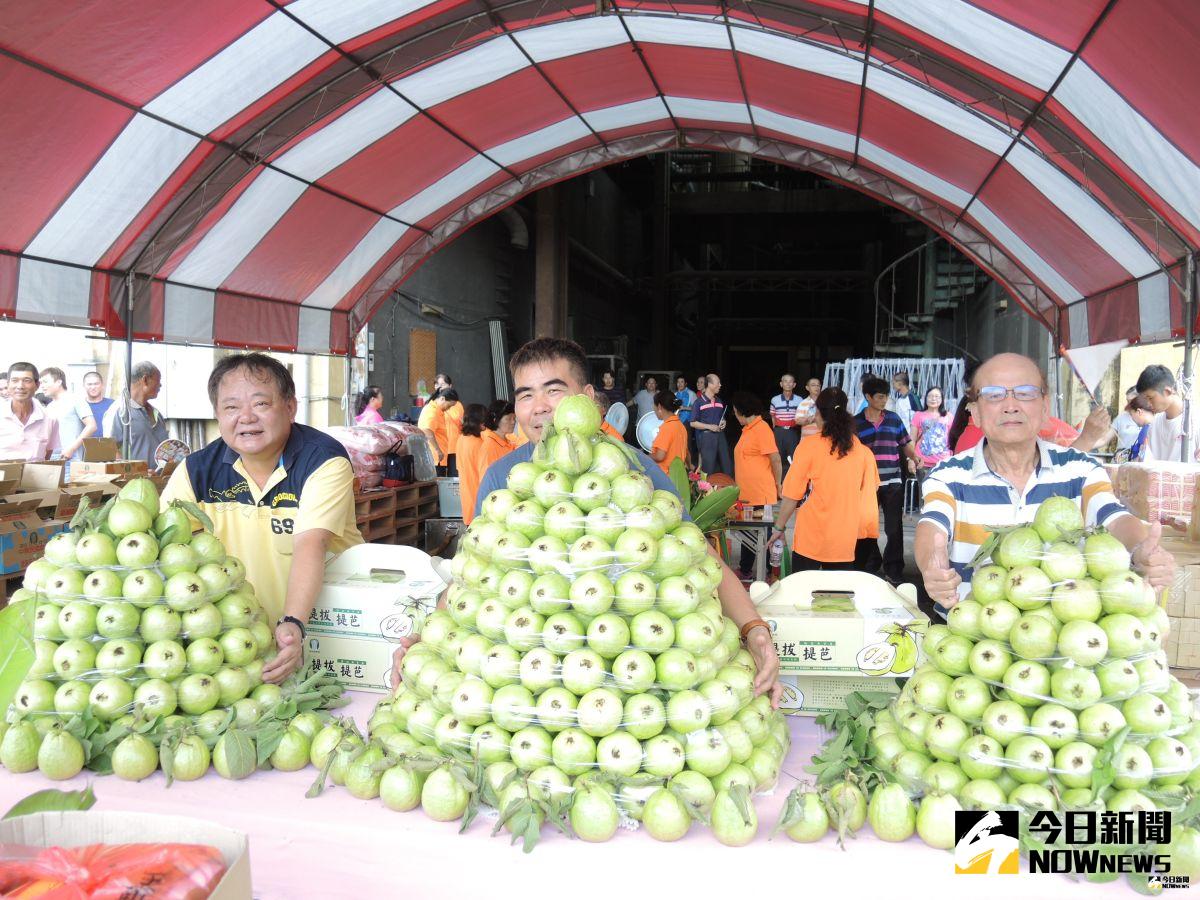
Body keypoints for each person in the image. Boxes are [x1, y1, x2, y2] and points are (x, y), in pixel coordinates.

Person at [391, 337, 782, 704]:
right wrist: (428, 637)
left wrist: (754, 629)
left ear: (588, 398)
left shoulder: (635, 471)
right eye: (525, 394)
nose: (539, 406)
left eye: (554, 390)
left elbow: (695, 556)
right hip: (525, 661)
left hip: (627, 661)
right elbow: (474, 571)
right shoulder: (504, 478)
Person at [915, 353, 1175, 617]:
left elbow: (1114, 517)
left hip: (1068, 640)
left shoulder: (1080, 468)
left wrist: (1140, 549)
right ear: (976, 413)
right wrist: (931, 566)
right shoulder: (948, 475)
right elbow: (932, 525)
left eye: (1025, 393)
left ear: (1044, 408)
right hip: (969, 637)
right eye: (994, 394)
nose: (1010, 405)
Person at [161, 353, 362, 682]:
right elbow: (167, 543)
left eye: (261, 404)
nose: (246, 418)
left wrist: (294, 623)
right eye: (231, 407)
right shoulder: (197, 471)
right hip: (238, 646)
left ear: (290, 407)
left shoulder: (323, 461)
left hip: (326, 633)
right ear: (217, 414)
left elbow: (312, 543)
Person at [768, 387, 879, 571]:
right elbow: (871, 490)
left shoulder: (808, 446)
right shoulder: (863, 451)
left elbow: (792, 494)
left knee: (804, 596)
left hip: (810, 539)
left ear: (818, 413)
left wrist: (779, 528)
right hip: (844, 541)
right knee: (837, 599)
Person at [854, 377, 919, 584]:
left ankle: (894, 569)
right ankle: (870, 563)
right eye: (880, 397)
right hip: (866, 484)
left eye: (886, 397)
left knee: (894, 527)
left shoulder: (894, 419)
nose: (884, 401)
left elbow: (906, 443)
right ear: (868, 397)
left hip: (892, 481)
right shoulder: (856, 423)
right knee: (867, 526)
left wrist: (915, 457)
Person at [731, 392, 782, 578]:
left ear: (743, 412)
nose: (735, 416)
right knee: (749, 535)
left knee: (764, 535)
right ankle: (746, 569)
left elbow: (775, 459)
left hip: (760, 493)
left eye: (736, 412)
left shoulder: (761, 429)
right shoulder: (748, 429)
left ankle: (770, 571)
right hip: (747, 494)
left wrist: (778, 484)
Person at [104, 362, 168, 468]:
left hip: (160, 480)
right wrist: (134, 472)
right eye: (158, 380)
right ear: (145, 380)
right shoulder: (120, 411)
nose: (160, 385)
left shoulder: (157, 413)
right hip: (133, 481)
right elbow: (109, 451)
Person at [1137, 364, 1200, 462]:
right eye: (1145, 399)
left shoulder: (1195, 420)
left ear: (1167, 391)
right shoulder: (1153, 424)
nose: (1147, 404)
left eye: (1150, 398)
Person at [0, 362, 60, 461]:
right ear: (8, 384)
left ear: (37, 385)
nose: (20, 386)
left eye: (27, 380)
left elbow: (47, 454)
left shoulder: (50, 419)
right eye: (14, 380)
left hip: (36, 475)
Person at [39, 367, 97, 462]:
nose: (42, 386)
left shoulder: (75, 400)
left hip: (73, 458)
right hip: (53, 459)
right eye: (41, 383)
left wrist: (71, 449)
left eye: (45, 382)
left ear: (58, 382)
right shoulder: (49, 407)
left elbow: (91, 426)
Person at [691, 373, 732, 476]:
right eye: (718, 383)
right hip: (707, 437)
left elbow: (721, 417)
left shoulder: (719, 401)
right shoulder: (698, 402)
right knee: (708, 469)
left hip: (720, 435)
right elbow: (692, 423)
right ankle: (706, 491)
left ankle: (728, 489)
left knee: (727, 465)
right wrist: (710, 427)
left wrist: (724, 422)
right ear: (709, 384)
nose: (720, 385)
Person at [455, 403, 489, 525]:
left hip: (467, 503)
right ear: (481, 422)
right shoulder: (481, 444)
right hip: (479, 503)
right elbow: (485, 477)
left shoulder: (461, 439)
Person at [911, 386, 953, 471]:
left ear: (942, 399)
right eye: (930, 396)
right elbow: (912, 439)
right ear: (925, 398)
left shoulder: (948, 416)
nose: (933, 399)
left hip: (943, 462)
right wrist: (911, 459)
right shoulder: (918, 415)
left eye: (937, 396)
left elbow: (953, 438)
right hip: (922, 463)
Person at [649, 390, 689, 474]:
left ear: (659, 407)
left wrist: (645, 456)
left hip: (664, 476)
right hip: (678, 476)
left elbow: (660, 456)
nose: (654, 410)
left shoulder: (667, 427)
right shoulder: (681, 426)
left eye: (654, 407)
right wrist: (690, 465)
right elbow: (686, 452)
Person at [769, 373, 801, 473]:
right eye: (785, 381)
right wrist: (775, 430)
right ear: (781, 384)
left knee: (794, 459)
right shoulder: (775, 399)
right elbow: (773, 416)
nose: (788, 384)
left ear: (794, 385)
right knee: (777, 459)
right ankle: (777, 483)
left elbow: (801, 416)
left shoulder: (799, 400)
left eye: (790, 381)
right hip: (779, 432)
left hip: (793, 432)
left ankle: (792, 484)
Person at [417, 389, 452, 470]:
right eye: (449, 405)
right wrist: (438, 450)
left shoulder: (436, 410)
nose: (448, 408)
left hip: (437, 457)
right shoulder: (432, 411)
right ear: (442, 399)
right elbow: (427, 430)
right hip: (434, 458)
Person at [482, 400, 517, 465]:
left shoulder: (508, 440)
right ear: (495, 420)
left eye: (514, 418)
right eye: (508, 418)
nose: (513, 422)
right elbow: (486, 474)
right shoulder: (489, 448)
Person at [1123, 394, 1154, 462]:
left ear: (1139, 412)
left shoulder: (1146, 430)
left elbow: (1142, 458)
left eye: (1131, 414)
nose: (1132, 418)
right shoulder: (1153, 427)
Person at [82, 371, 113, 438]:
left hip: (109, 445)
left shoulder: (113, 405)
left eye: (96, 384)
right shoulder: (80, 406)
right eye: (89, 384)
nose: (93, 387)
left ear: (102, 385)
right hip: (84, 446)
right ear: (84, 386)